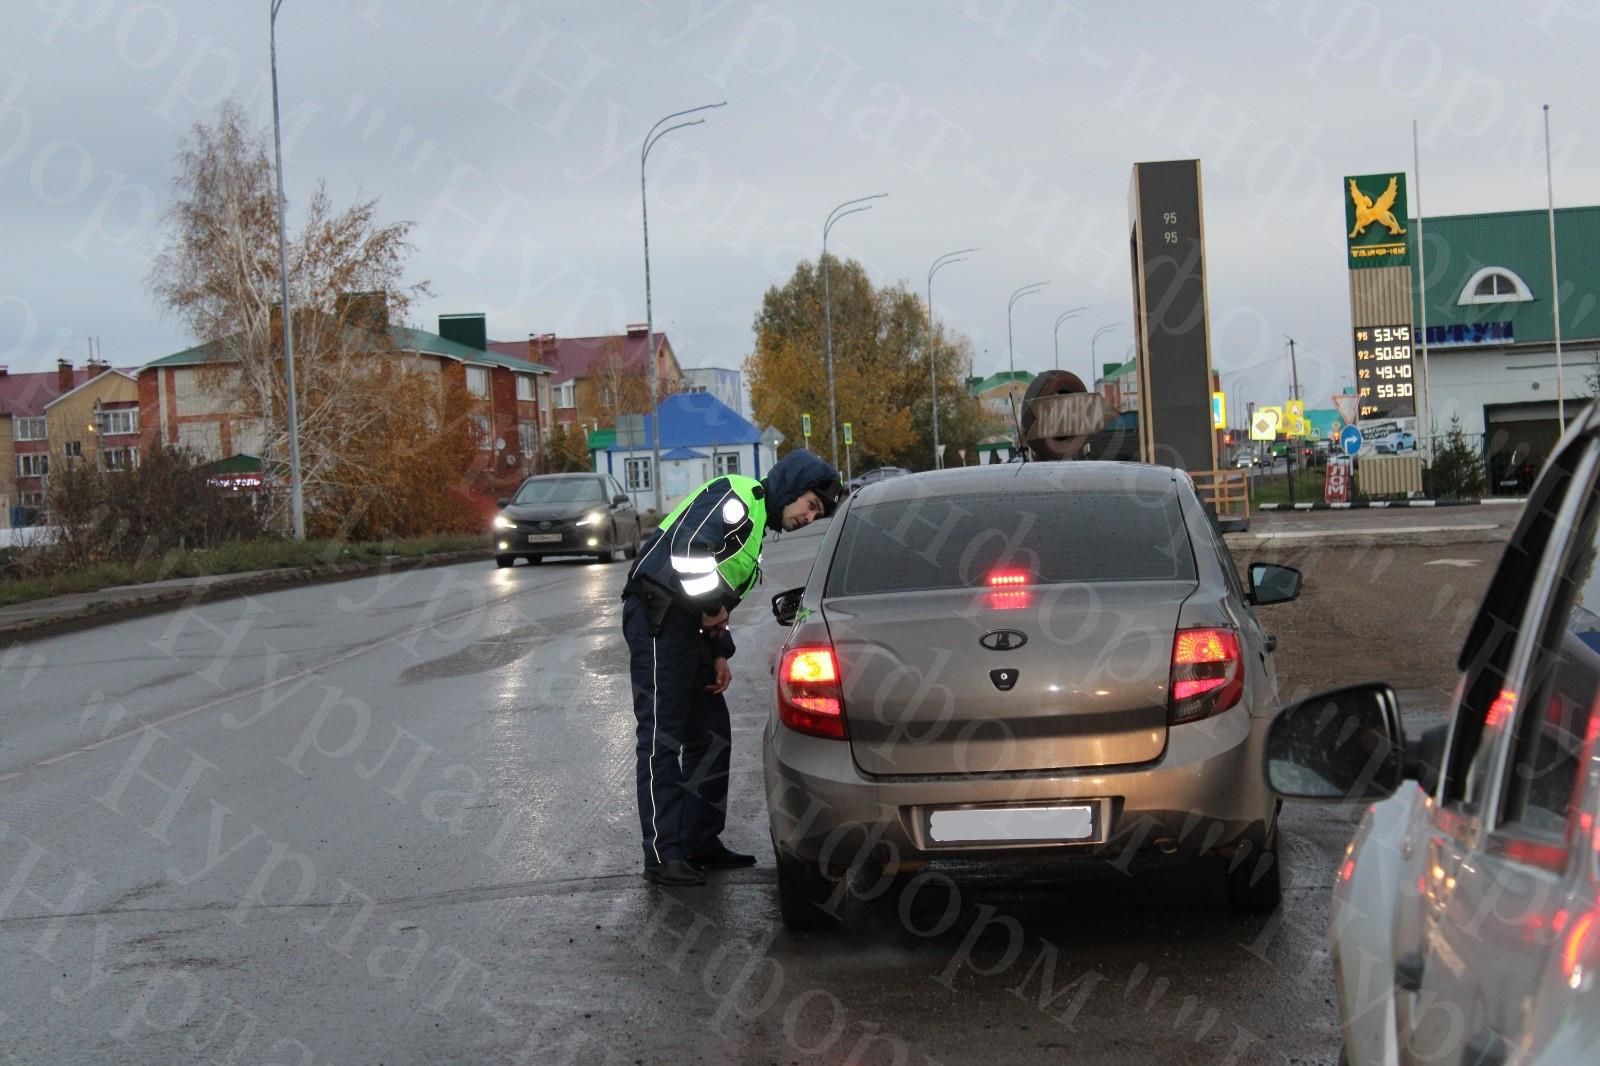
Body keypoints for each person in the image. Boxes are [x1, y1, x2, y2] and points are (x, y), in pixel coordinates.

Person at [621, 450, 843, 886]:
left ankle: (699, 840)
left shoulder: (756, 522)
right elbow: (689, 553)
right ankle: (663, 854)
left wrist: (720, 648)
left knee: (710, 734)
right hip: (658, 616)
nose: (809, 517)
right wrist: (709, 612)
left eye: (817, 514)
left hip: (687, 625)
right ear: (795, 486)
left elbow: (716, 597)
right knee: (660, 737)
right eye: (811, 505)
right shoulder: (737, 498)